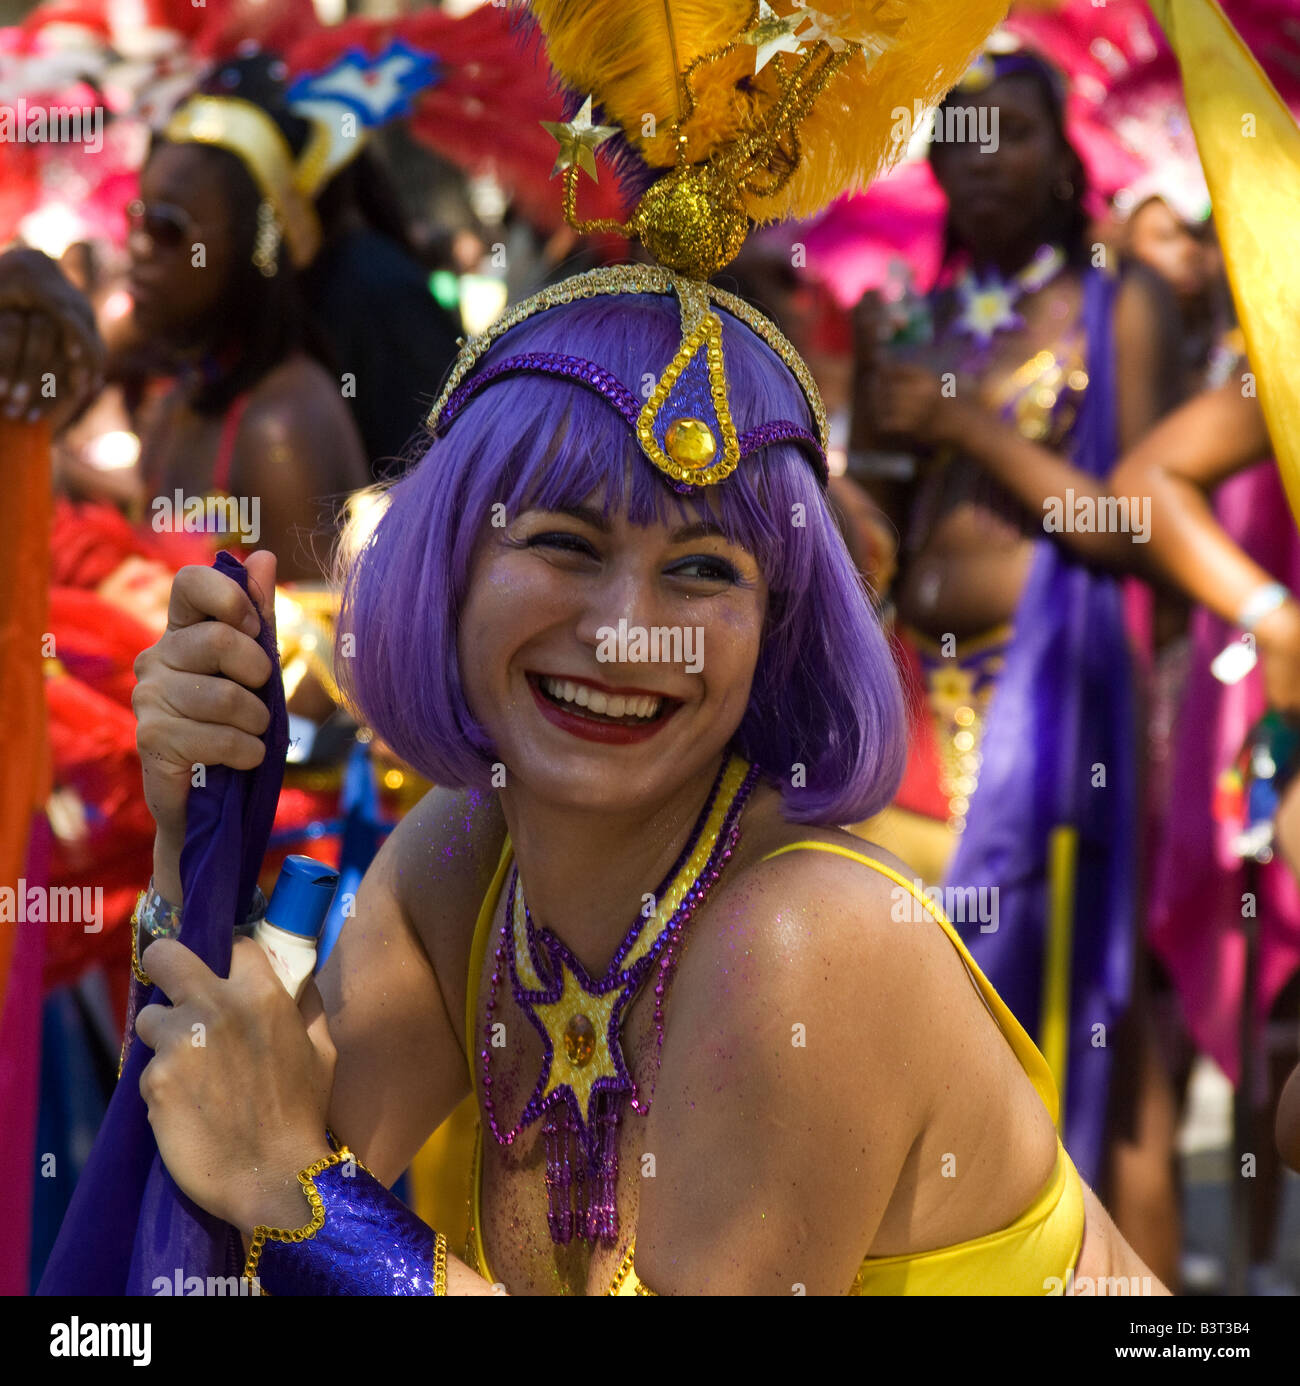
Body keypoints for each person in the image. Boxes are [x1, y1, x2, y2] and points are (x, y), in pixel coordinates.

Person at [120, 6, 1164, 1296]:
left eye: (704, 569)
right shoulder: (464, 852)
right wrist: (194, 828)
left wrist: (306, 1203)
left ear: (779, 630)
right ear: (446, 573)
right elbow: (216, 1155)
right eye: (562, 544)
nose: (630, 629)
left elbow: (275, 1180)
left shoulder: (806, 943)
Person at [848, 42, 1177, 1197]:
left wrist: (965, 426)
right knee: (930, 1004)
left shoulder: (1115, 305)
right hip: (914, 710)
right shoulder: (905, 318)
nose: (983, 161)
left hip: (1052, 701)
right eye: (960, 136)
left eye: (1013, 135)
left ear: (1060, 159)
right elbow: (876, 532)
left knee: (1084, 1006)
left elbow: (1140, 521)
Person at [128, 81, 369, 582]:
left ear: (253, 250)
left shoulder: (278, 427)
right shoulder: (183, 396)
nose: (137, 247)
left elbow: (314, 650)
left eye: (168, 228)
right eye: (137, 218)